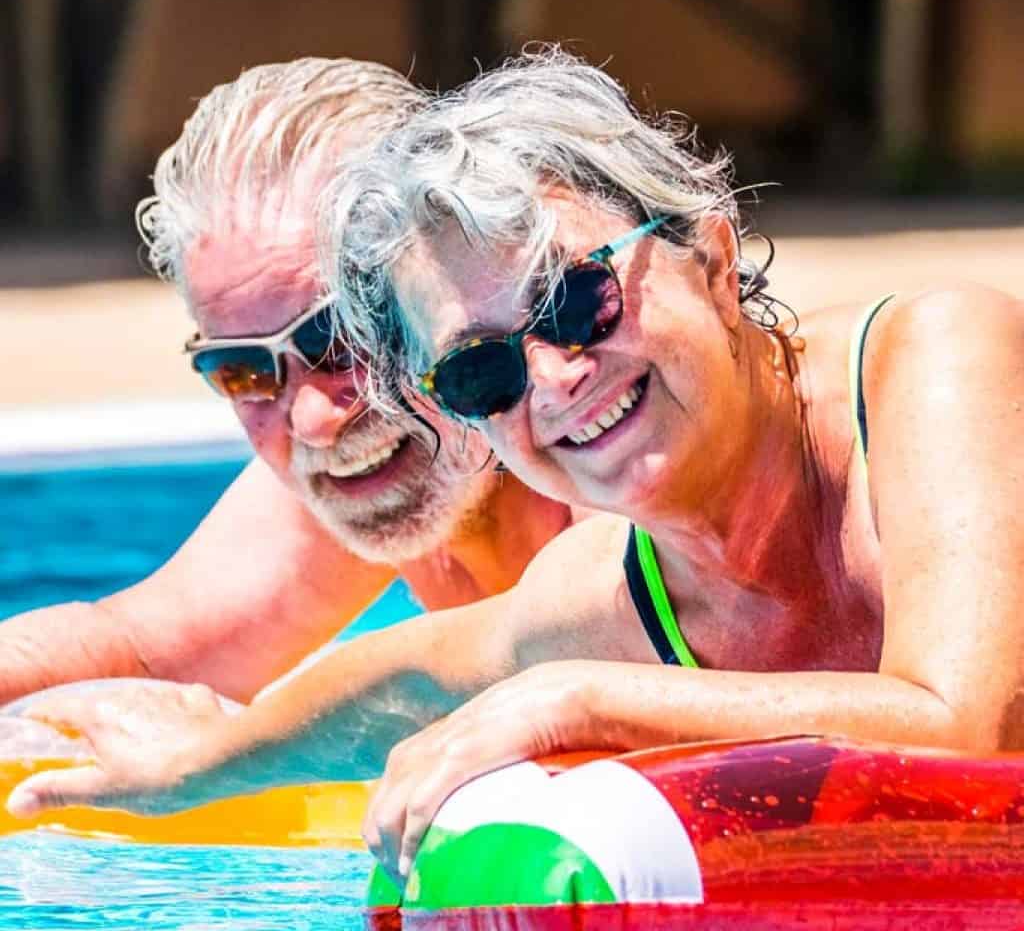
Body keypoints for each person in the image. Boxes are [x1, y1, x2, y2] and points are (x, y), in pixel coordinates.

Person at [11, 49, 1024, 892]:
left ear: (711, 256)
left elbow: (961, 728)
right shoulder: (601, 591)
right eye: (479, 369)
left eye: (579, 301)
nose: (551, 378)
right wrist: (184, 771)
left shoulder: (932, 363)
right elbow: (404, 677)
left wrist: (574, 701)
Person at [0, 57, 578, 708]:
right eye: (243, 370)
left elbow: (600, 649)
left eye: (342, 337)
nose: (312, 422)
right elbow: (139, 650)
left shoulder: (607, 435)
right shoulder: (392, 465)